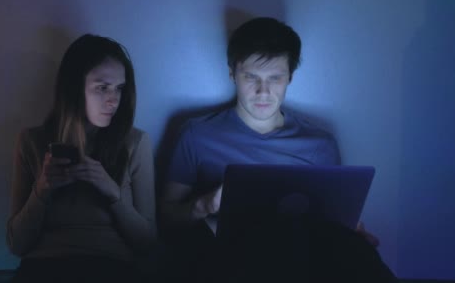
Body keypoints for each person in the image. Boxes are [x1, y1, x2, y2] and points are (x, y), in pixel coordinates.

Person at [160, 17, 396, 282]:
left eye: (275, 78)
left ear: (290, 78)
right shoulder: (197, 135)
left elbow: (333, 220)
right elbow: (166, 219)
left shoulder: (319, 144)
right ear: (232, 74)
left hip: (301, 258)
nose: (263, 91)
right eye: (251, 77)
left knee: (357, 252)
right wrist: (204, 204)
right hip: (229, 256)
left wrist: (353, 232)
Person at [7, 34, 156, 282]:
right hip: (44, 269)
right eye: (102, 88)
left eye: (119, 88)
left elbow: (148, 244)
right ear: (75, 88)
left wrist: (113, 195)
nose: (113, 100)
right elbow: (16, 244)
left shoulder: (135, 143)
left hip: (111, 269)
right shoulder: (32, 142)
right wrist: (41, 192)